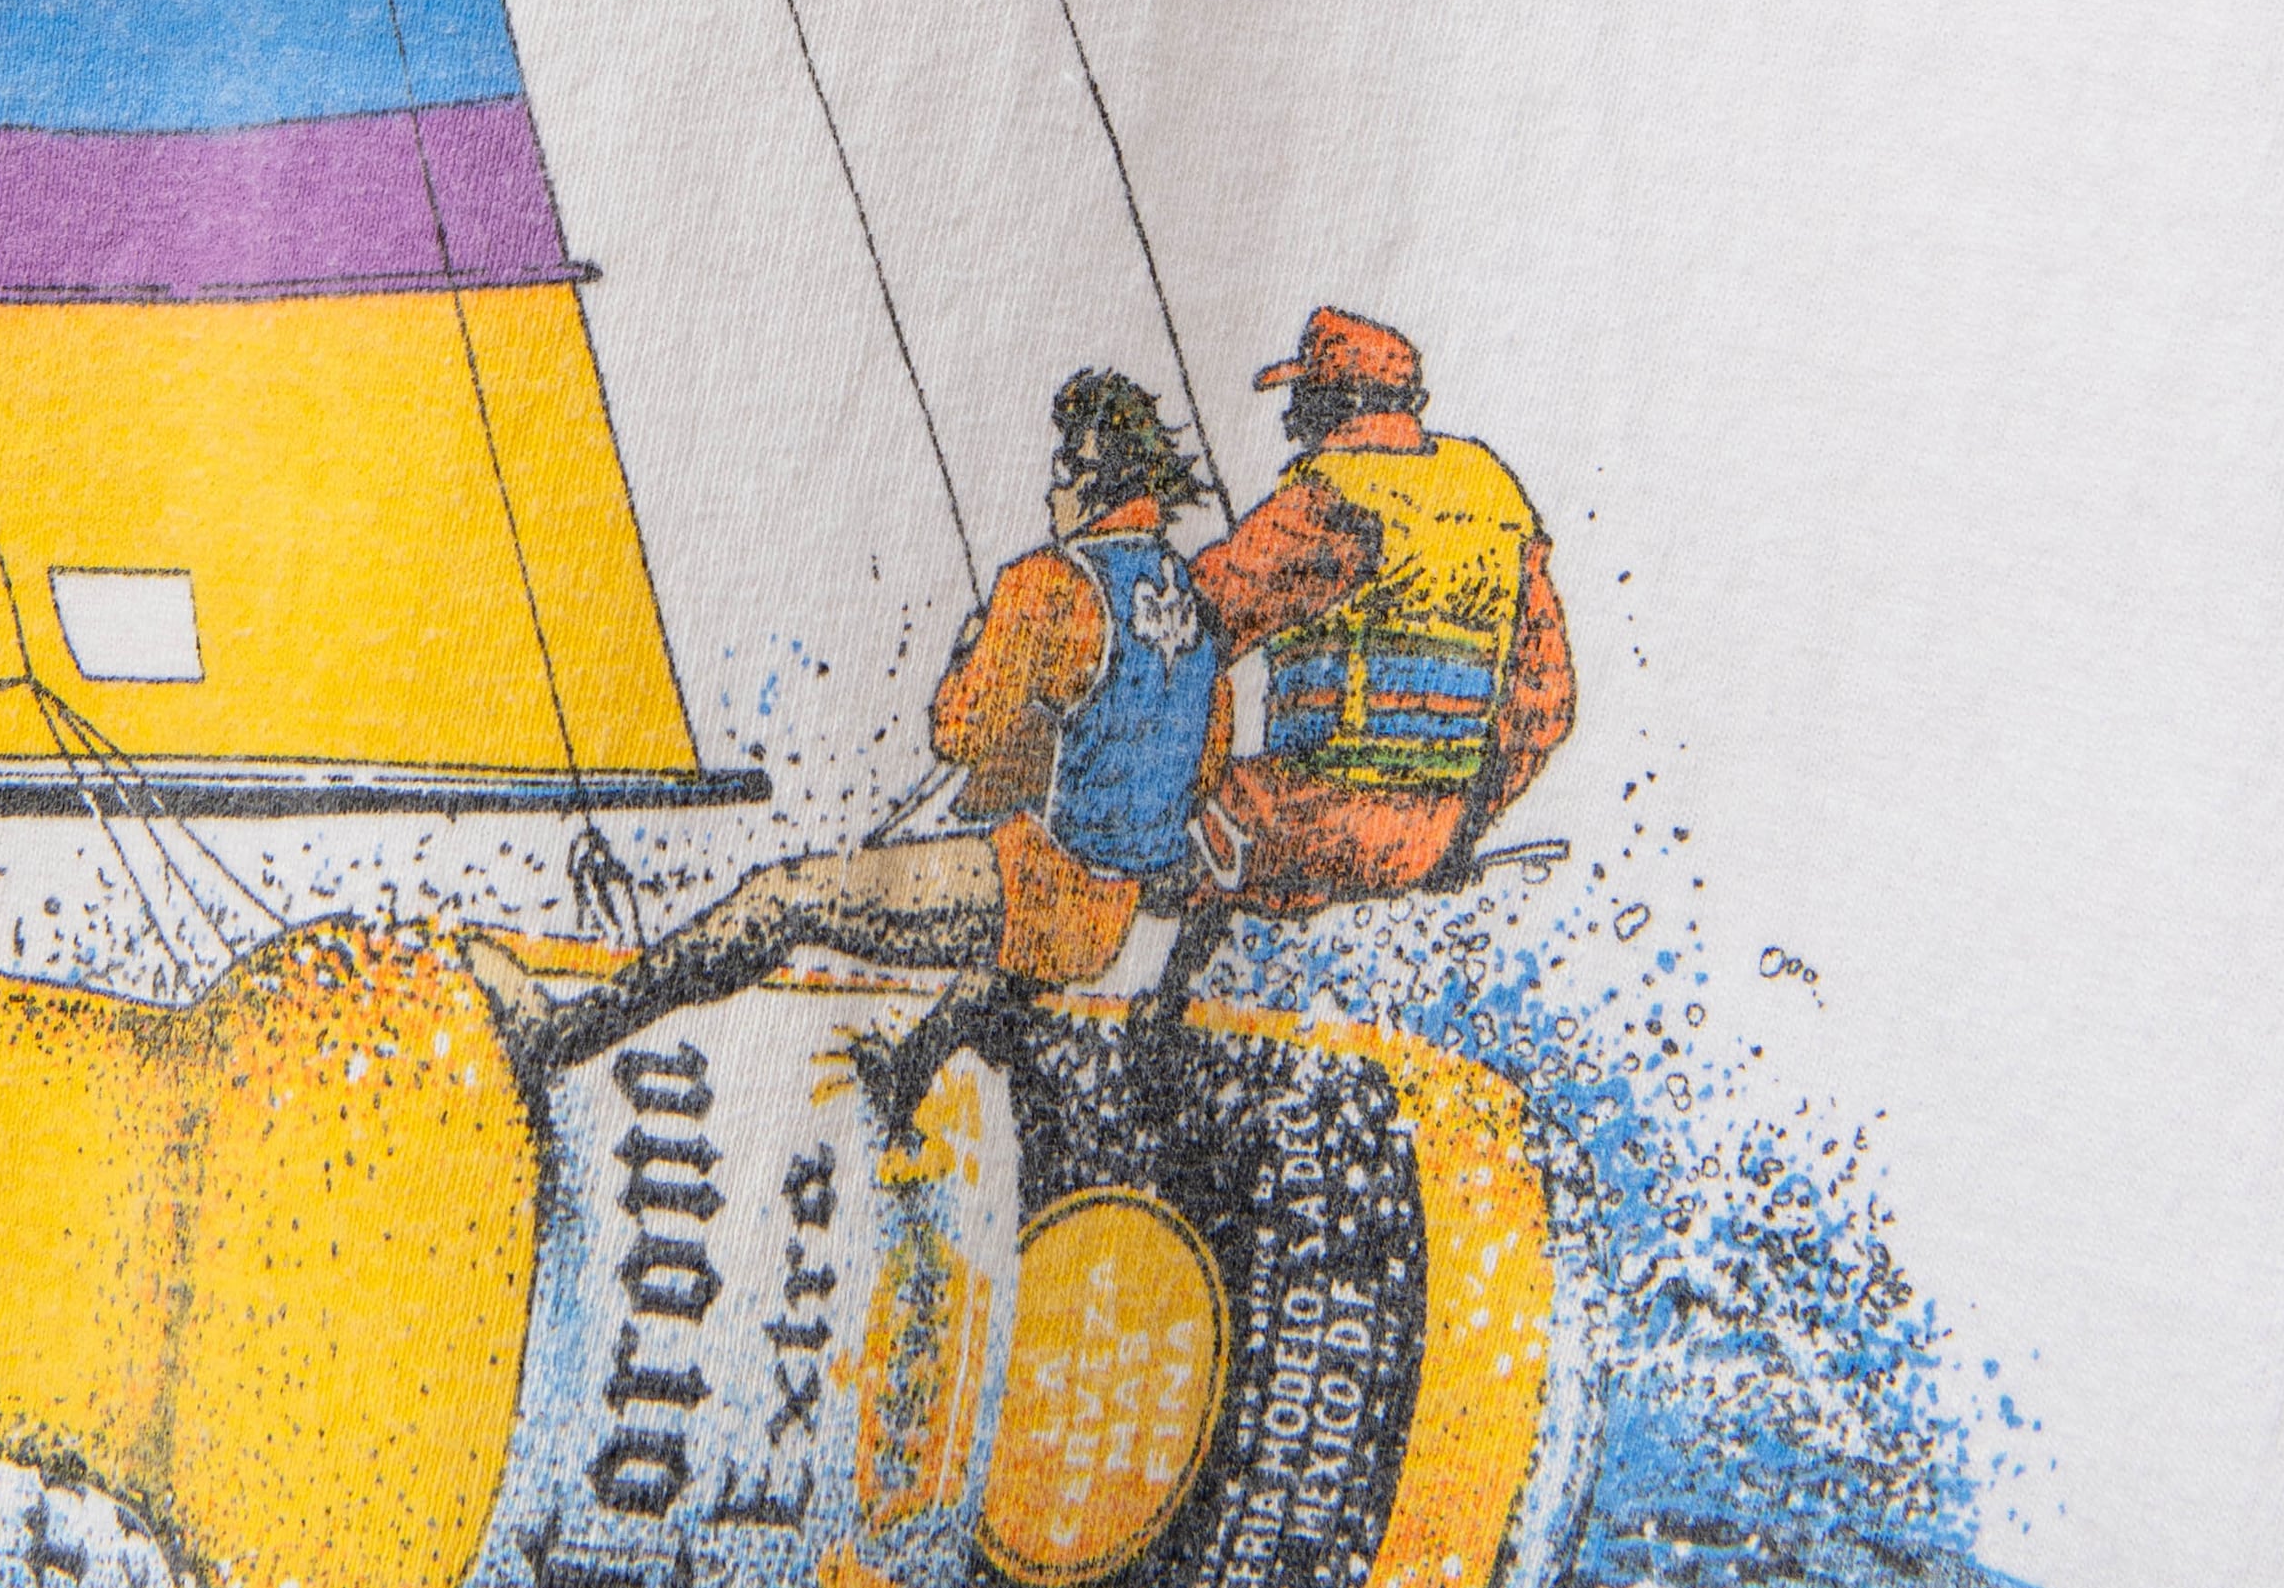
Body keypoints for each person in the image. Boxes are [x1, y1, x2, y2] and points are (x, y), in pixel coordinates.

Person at [478, 371, 1230, 1106]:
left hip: (1039, 892)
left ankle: (561, 1034)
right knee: (983, 936)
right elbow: (1201, 767)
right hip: (1111, 916)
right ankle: (904, 1078)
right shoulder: (1194, 604)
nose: (1050, 488)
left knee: (783, 901)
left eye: (1065, 467)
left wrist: (972, 651)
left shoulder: (1052, 585)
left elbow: (957, 730)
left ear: (1097, 481)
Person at [1172, 305, 1571, 956]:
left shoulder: (1330, 499)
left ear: (1335, 402)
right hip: (1442, 830)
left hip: (1306, 822)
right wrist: (1463, 822)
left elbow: (1189, 626)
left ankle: (1158, 1008)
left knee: (1142, 822)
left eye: (1303, 395)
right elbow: (1545, 705)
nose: (1292, 415)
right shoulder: (1495, 498)